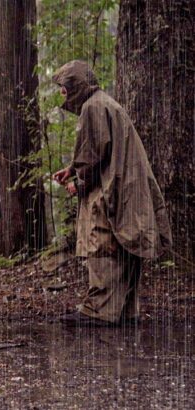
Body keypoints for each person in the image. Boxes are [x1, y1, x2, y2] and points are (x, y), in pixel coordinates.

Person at [51, 60, 172, 327]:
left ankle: (99, 310)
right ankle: (125, 311)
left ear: (76, 86)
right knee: (124, 244)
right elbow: (97, 150)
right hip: (126, 185)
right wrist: (72, 170)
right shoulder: (104, 103)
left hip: (114, 187)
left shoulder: (93, 107)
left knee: (103, 241)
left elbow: (93, 155)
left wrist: (78, 181)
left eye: (63, 88)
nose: (61, 94)